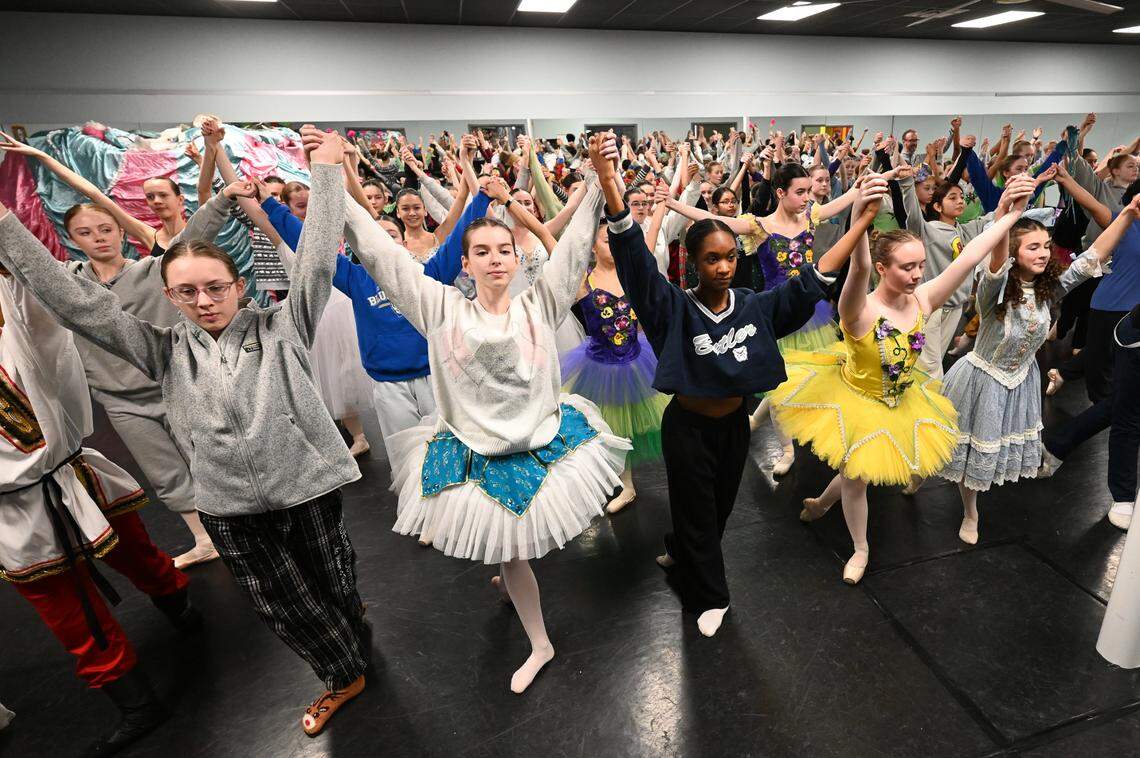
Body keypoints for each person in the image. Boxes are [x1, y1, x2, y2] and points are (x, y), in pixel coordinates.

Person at [0, 128, 370, 737]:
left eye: (215, 287)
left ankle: (352, 632)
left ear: (239, 286)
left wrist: (327, 173)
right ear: (170, 297)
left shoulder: (283, 327)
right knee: (280, 600)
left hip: (306, 488)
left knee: (334, 579)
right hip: (229, 506)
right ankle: (343, 672)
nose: (204, 301)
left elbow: (318, 261)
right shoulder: (164, 350)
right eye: (187, 291)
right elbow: (76, 303)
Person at [341, 133, 630, 694]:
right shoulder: (440, 307)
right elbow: (379, 254)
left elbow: (575, 246)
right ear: (465, 262)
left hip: (538, 446)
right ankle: (513, 588)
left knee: (514, 551)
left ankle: (540, 643)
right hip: (476, 451)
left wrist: (600, 177)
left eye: (504, 249)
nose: (496, 259)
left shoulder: (540, 303)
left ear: (517, 257)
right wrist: (332, 182)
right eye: (482, 251)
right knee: (508, 548)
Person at [602, 149, 886, 636]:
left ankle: (679, 547)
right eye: (712, 259)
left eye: (731, 257)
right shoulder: (672, 308)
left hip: (734, 426)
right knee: (698, 510)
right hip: (687, 428)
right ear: (693, 262)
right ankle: (710, 596)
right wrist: (610, 180)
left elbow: (810, 283)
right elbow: (635, 264)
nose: (724, 267)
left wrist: (861, 222)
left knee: (717, 509)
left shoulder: (753, 306)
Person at [768, 174, 1036, 584]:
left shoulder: (923, 299)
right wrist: (860, 215)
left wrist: (1011, 216)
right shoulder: (858, 310)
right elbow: (858, 267)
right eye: (907, 267)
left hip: (900, 401)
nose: (916, 275)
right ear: (883, 268)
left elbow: (968, 258)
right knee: (856, 478)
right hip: (856, 401)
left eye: (920, 266)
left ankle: (821, 503)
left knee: (859, 470)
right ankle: (860, 548)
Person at [0, 130, 233, 569]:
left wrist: (222, 196)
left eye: (106, 229)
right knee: (164, 471)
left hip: (176, 385)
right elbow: (27, 267)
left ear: (120, 231)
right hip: (120, 399)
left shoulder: (152, 270)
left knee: (210, 459)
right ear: (73, 238)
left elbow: (195, 235)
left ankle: (235, 531)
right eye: (86, 233)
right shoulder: (72, 284)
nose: (99, 238)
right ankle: (203, 538)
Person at [0, 251, 199, 757]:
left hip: (64, 475)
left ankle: (180, 607)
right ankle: (137, 702)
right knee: (70, 612)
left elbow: (43, 325)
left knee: (136, 554)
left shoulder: (13, 325)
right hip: (13, 512)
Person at [939, 192, 1133, 544]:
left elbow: (1091, 257)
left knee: (983, 449)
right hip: (982, 377)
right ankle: (970, 513)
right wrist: (1006, 216)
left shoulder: (1046, 291)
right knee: (964, 449)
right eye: (1033, 247)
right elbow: (996, 265)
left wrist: (1129, 213)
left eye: (1046, 245)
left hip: (1019, 382)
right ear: (1014, 253)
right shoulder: (994, 291)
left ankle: (966, 506)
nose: (1043, 253)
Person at [560, 219, 670, 514]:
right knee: (604, 427)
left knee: (632, 425)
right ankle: (616, 481)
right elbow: (551, 240)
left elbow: (649, 239)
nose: (613, 245)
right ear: (592, 247)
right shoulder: (583, 281)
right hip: (598, 366)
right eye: (606, 241)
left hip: (636, 361)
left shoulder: (631, 275)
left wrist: (663, 205)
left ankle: (628, 484)